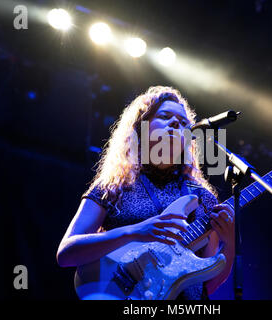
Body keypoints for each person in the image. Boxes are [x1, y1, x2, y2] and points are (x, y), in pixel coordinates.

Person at [56, 86, 235, 300]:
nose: (176, 123)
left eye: (183, 122)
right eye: (165, 116)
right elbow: (66, 253)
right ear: (141, 128)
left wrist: (230, 241)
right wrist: (135, 231)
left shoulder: (203, 198)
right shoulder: (114, 186)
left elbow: (207, 285)